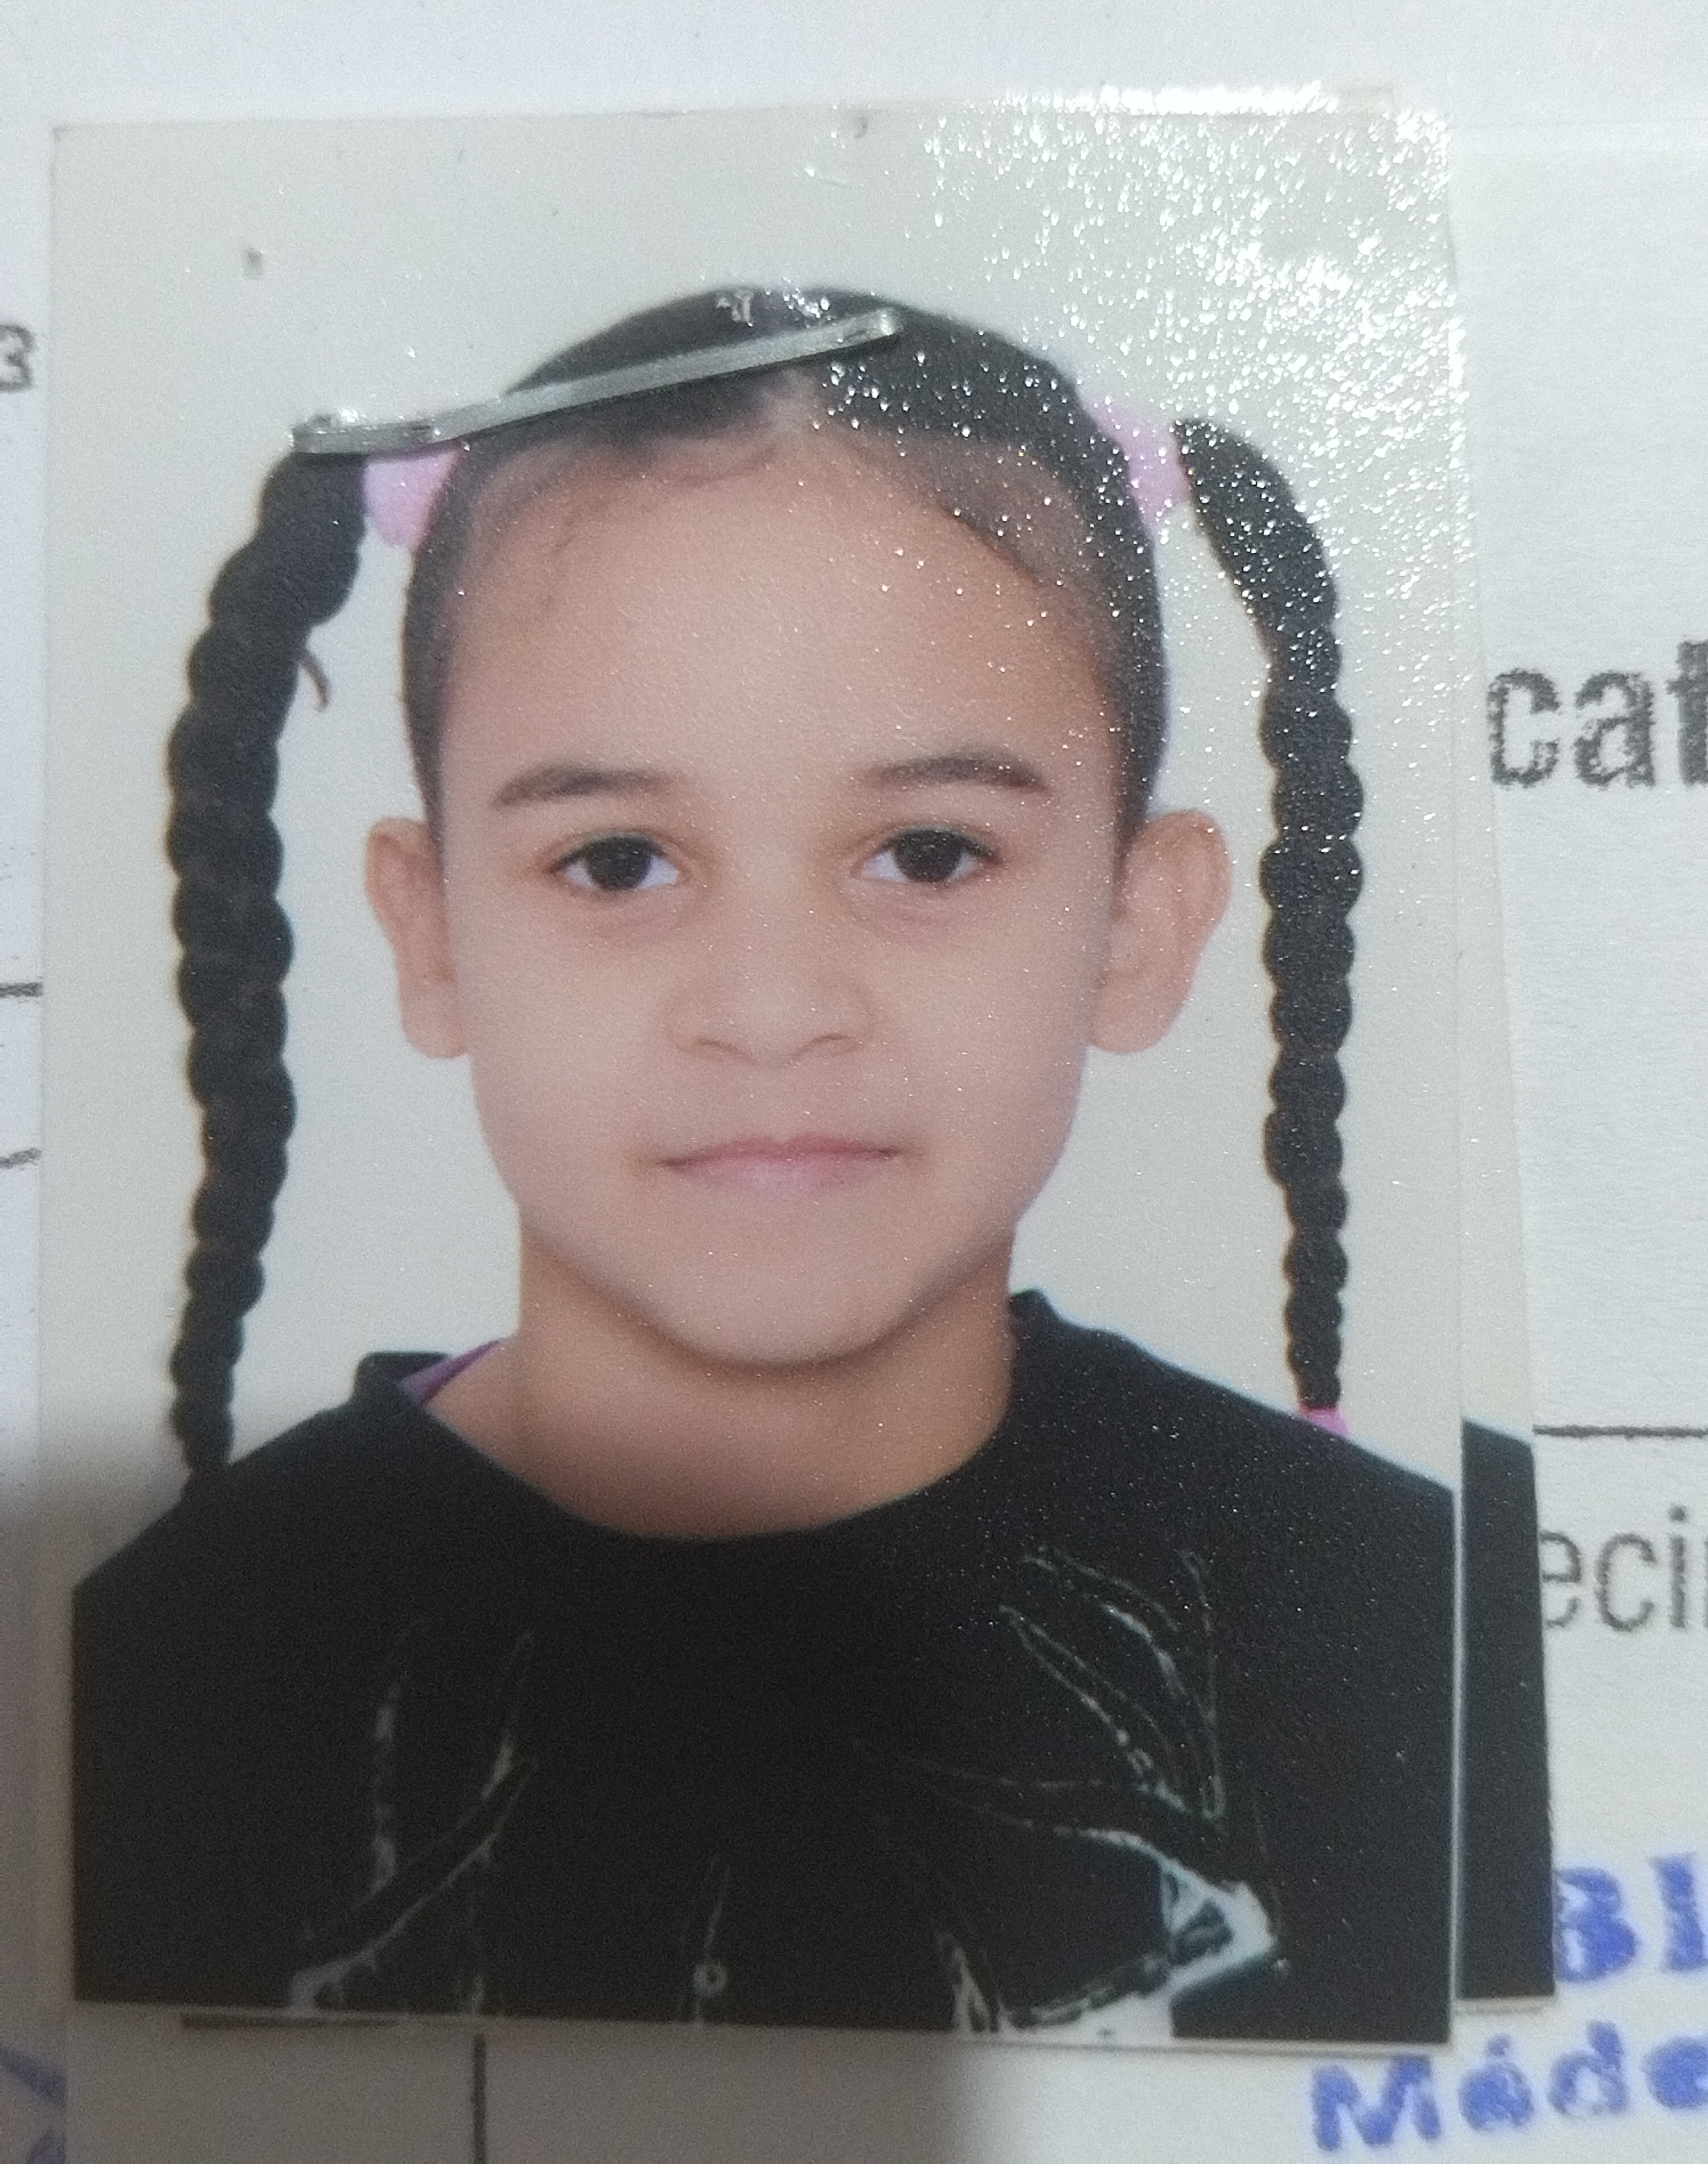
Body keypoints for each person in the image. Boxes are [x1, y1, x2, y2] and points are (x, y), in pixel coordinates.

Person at [73, 288, 1455, 2043]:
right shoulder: (155, 1670)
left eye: (930, 854)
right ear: (431, 937)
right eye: (618, 863)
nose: (773, 1010)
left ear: (1138, 922)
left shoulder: (1401, 1616)